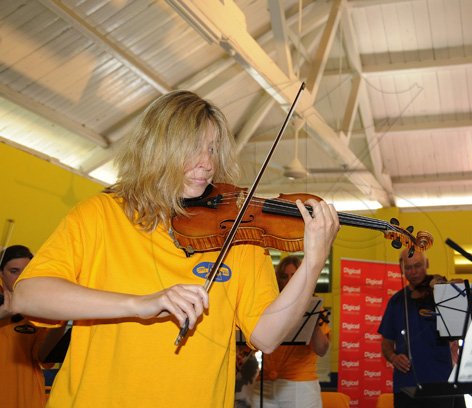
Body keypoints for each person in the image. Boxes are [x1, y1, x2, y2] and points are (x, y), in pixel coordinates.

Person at [10, 90, 339, 407]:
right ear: (155, 149)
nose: (207, 164)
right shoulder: (101, 214)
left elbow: (267, 337)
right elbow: (28, 295)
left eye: (212, 149)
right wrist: (140, 304)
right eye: (193, 148)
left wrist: (314, 261)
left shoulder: (240, 236)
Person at [378, 248, 463, 408]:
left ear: (427, 264)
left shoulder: (442, 294)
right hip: (406, 385)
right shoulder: (396, 301)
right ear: (401, 269)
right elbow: (386, 343)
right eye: (408, 268)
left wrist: (445, 291)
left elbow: (456, 330)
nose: (414, 272)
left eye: (418, 265)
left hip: (440, 382)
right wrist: (394, 357)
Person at [252, 255, 330, 408]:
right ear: (277, 280)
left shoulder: (315, 307)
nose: (289, 281)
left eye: (294, 276)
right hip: (264, 384)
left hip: (300, 385)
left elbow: (322, 349)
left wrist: (311, 319)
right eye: (284, 276)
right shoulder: (268, 308)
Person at [0, 245, 52, 408]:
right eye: (14, 271)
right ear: (1, 274)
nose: (21, 277)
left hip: (27, 398)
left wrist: (59, 322)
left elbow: (44, 359)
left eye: (27, 271)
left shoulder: (38, 311)